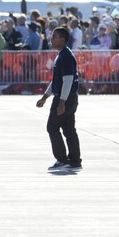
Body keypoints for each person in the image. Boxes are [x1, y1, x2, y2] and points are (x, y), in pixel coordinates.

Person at [36, 27, 82, 171]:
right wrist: (45, 97)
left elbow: (67, 81)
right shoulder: (60, 55)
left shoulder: (66, 56)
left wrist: (61, 103)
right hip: (67, 97)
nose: (52, 38)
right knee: (69, 130)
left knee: (52, 127)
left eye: (55, 36)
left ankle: (62, 160)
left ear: (62, 40)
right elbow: (57, 81)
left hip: (65, 98)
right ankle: (75, 161)